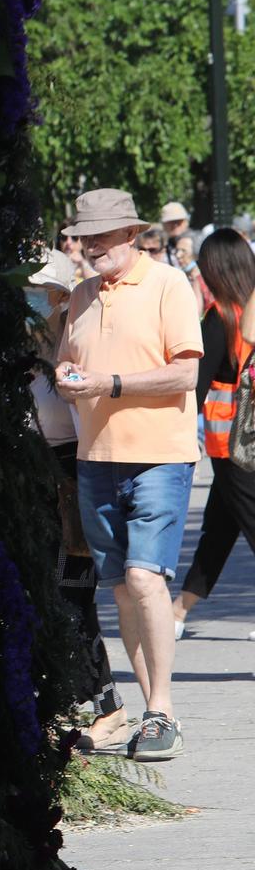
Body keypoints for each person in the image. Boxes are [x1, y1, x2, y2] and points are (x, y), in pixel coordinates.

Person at [56, 189, 204, 762]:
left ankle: (163, 709)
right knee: (120, 587)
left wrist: (110, 384)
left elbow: (185, 374)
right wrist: (68, 374)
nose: (91, 247)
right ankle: (150, 714)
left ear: (131, 235)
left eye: (101, 236)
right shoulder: (82, 296)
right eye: (84, 236)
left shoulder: (168, 284)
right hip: (96, 457)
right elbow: (72, 362)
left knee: (144, 580)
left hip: (160, 455)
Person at [27, 251, 129, 752]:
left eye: (37, 290)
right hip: (32, 476)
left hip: (78, 474)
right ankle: (58, 701)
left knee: (73, 599)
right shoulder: (19, 350)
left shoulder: (79, 346)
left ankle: (109, 708)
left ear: (63, 296)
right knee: (42, 598)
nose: (26, 299)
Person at [173, 230, 255, 638]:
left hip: (232, 444)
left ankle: (177, 611)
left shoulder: (219, 316)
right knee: (220, 527)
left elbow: (196, 384)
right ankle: (179, 609)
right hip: (246, 442)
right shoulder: (249, 312)